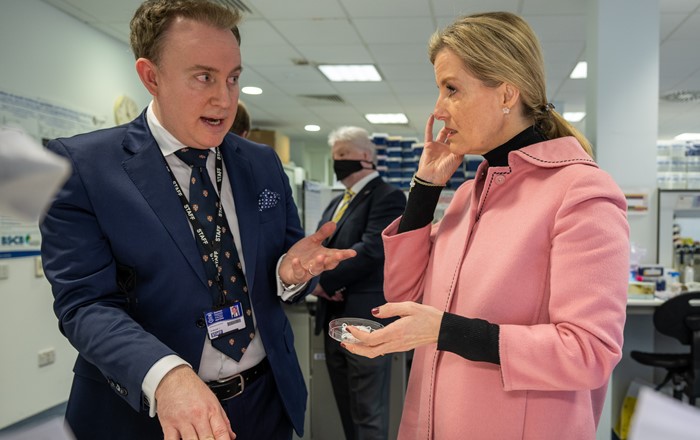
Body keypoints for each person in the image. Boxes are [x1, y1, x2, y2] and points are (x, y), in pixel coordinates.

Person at [39, 1, 355, 439]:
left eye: (233, 78)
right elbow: (84, 304)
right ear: (151, 77)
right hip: (150, 413)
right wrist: (165, 375)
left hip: (265, 402)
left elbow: (285, 267)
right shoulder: (85, 167)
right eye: (203, 77)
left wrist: (289, 274)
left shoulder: (261, 163)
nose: (224, 99)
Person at [342, 11, 630, 440]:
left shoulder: (582, 192)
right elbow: (404, 296)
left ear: (507, 94)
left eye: (452, 89)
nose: (438, 110)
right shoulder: (467, 196)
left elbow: (588, 352)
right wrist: (424, 188)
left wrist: (446, 330)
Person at [311, 126, 406, 440]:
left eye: (342, 155)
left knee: (368, 412)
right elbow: (318, 247)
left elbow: (371, 249)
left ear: (366, 156)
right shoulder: (337, 202)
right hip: (333, 317)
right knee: (347, 409)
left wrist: (325, 282)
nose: (337, 162)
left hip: (365, 317)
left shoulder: (388, 197)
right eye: (334, 156)